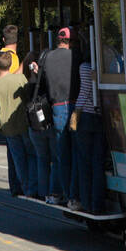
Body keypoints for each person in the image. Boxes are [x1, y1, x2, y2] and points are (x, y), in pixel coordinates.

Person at [38, 27, 79, 205]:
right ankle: (76, 195)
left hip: (57, 108)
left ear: (58, 40)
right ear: (71, 41)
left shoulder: (48, 57)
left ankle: (65, 195)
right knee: (77, 153)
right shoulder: (76, 57)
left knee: (62, 155)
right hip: (76, 107)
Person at [0, 50, 37, 197]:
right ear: (10, 65)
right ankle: (35, 187)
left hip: (8, 127)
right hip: (23, 122)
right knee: (31, 154)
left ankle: (26, 188)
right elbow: (27, 93)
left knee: (18, 159)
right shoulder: (20, 78)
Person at [70, 47, 105, 214]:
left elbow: (84, 92)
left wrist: (75, 115)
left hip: (86, 116)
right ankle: (97, 204)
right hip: (100, 116)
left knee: (84, 162)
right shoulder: (106, 65)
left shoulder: (84, 67)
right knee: (98, 163)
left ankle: (86, 202)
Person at [23, 54, 54, 200]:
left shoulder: (29, 83)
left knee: (41, 159)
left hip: (34, 127)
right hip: (48, 124)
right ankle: (54, 191)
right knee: (56, 160)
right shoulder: (47, 80)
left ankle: (43, 192)